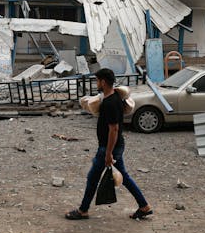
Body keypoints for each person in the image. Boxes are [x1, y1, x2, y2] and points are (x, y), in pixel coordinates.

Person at [65, 68, 153, 220]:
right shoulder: (114, 98)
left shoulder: (110, 103)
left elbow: (114, 129)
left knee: (93, 178)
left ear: (103, 82)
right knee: (122, 176)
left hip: (109, 147)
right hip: (114, 145)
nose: (96, 83)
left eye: (97, 80)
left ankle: (83, 210)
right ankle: (144, 206)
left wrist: (108, 154)